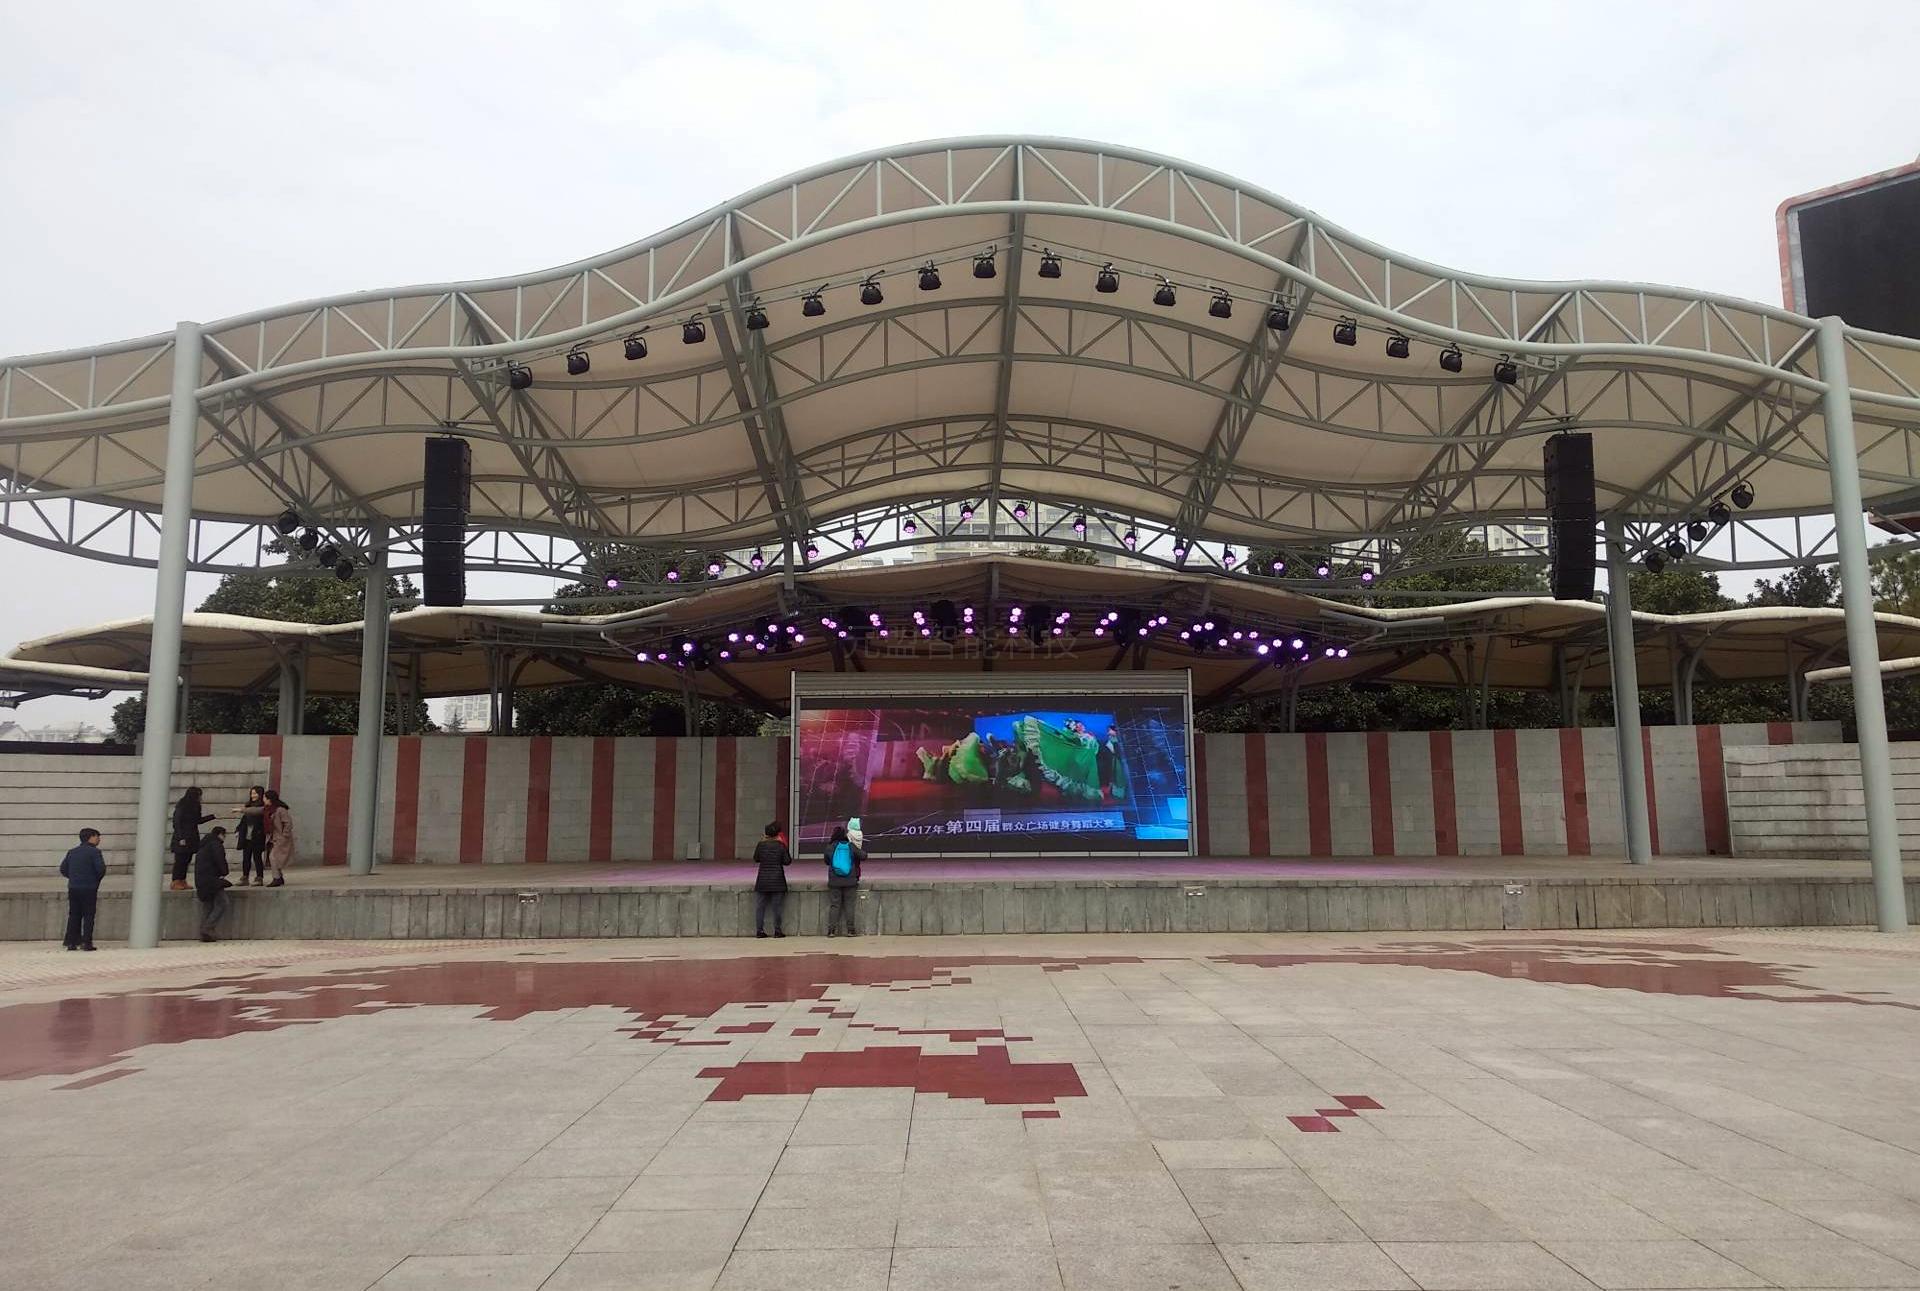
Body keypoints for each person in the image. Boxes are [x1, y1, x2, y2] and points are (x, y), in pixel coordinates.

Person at [59, 828, 107, 952]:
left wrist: (74, 877)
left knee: (74, 915)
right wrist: (94, 879)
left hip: (73, 887)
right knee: (88, 915)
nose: (99, 839)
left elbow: (63, 869)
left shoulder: (72, 852)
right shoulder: (95, 852)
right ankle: (86, 942)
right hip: (89, 887)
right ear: (91, 837)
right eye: (97, 837)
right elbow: (101, 869)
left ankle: (71, 942)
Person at [823, 821, 864, 938]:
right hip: (850, 881)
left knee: (834, 905)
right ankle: (851, 930)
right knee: (849, 905)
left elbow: (826, 861)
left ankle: (831, 931)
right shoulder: (850, 846)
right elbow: (863, 856)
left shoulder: (830, 847)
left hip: (834, 881)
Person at [751, 820, 792, 939]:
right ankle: (777, 931)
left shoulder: (761, 845)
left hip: (763, 880)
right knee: (777, 907)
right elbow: (787, 861)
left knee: (760, 907)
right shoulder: (780, 845)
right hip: (777, 880)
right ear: (777, 834)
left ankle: (759, 930)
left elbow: (756, 858)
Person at [169, 786, 214, 891]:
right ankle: (176, 881)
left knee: (187, 859)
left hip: (192, 836)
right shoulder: (182, 805)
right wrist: (181, 837)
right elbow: (177, 822)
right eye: (199, 795)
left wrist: (212, 816)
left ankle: (182, 880)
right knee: (180, 860)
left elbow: (198, 820)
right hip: (182, 836)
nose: (200, 798)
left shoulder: (196, 806)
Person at [193, 826, 233, 942]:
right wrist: (224, 872)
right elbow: (220, 860)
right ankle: (208, 928)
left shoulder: (204, 845)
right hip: (212, 879)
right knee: (223, 902)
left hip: (201, 880)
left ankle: (203, 932)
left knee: (208, 905)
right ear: (220, 834)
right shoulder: (216, 844)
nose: (224, 838)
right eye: (224, 835)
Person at [233, 785, 269, 887]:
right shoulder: (248, 805)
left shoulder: (263, 807)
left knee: (257, 857)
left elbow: (259, 817)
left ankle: (259, 877)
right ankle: (245, 877)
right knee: (246, 857)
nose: (253, 795)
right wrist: (238, 829)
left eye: (255, 793)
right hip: (247, 835)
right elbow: (244, 820)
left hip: (257, 834)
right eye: (252, 793)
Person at [264, 790, 294, 887]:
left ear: (269, 799)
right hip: (273, 838)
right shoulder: (268, 809)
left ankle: (276, 878)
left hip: (280, 838)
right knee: (275, 858)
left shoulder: (280, 810)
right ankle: (279, 877)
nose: (263, 800)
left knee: (273, 857)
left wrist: (284, 835)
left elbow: (288, 823)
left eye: (265, 798)